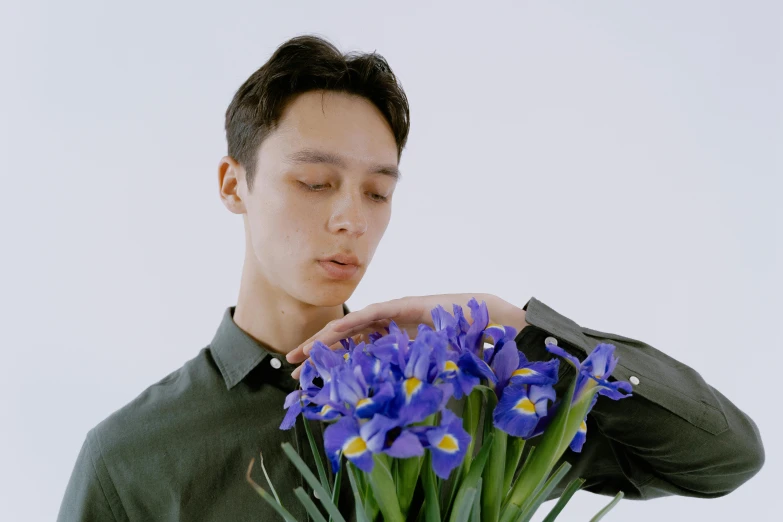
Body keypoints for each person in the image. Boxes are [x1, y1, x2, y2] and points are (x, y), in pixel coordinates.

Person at [57, 34, 765, 522]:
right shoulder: (133, 458)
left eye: (376, 192)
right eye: (314, 182)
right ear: (233, 184)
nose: (349, 219)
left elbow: (722, 458)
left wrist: (517, 326)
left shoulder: (472, 400)